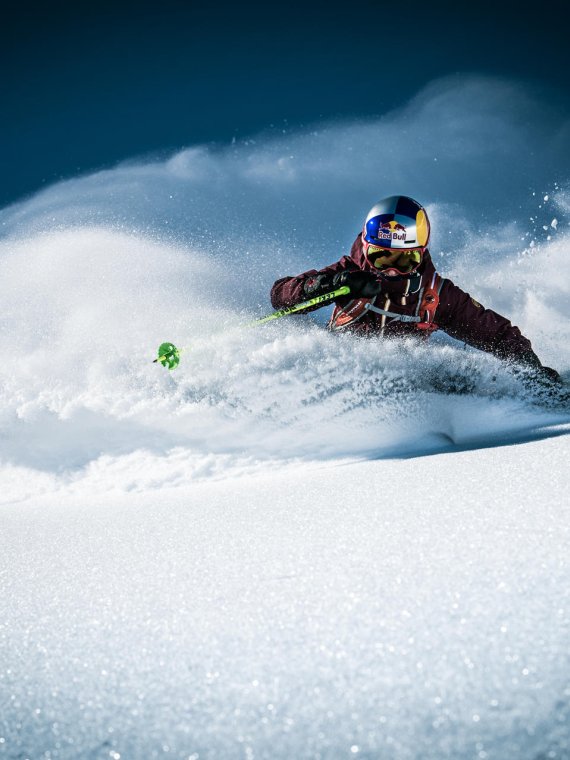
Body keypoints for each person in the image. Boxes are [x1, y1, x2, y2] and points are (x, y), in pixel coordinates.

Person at [270, 195, 560, 385]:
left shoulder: (435, 294)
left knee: (461, 377)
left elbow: (497, 334)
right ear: (366, 248)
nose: (392, 270)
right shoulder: (348, 274)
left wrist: (533, 373)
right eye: (381, 258)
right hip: (337, 375)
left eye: (405, 260)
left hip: (406, 382)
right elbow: (280, 295)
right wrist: (329, 285)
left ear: (421, 254)